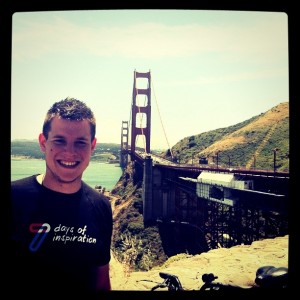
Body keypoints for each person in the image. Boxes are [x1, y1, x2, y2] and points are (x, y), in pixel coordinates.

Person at [10, 97, 113, 296]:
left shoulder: (101, 207)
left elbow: (101, 284)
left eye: (80, 143)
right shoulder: (14, 198)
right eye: (59, 141)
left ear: (92, 146)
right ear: (43, 142)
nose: (69, 152)